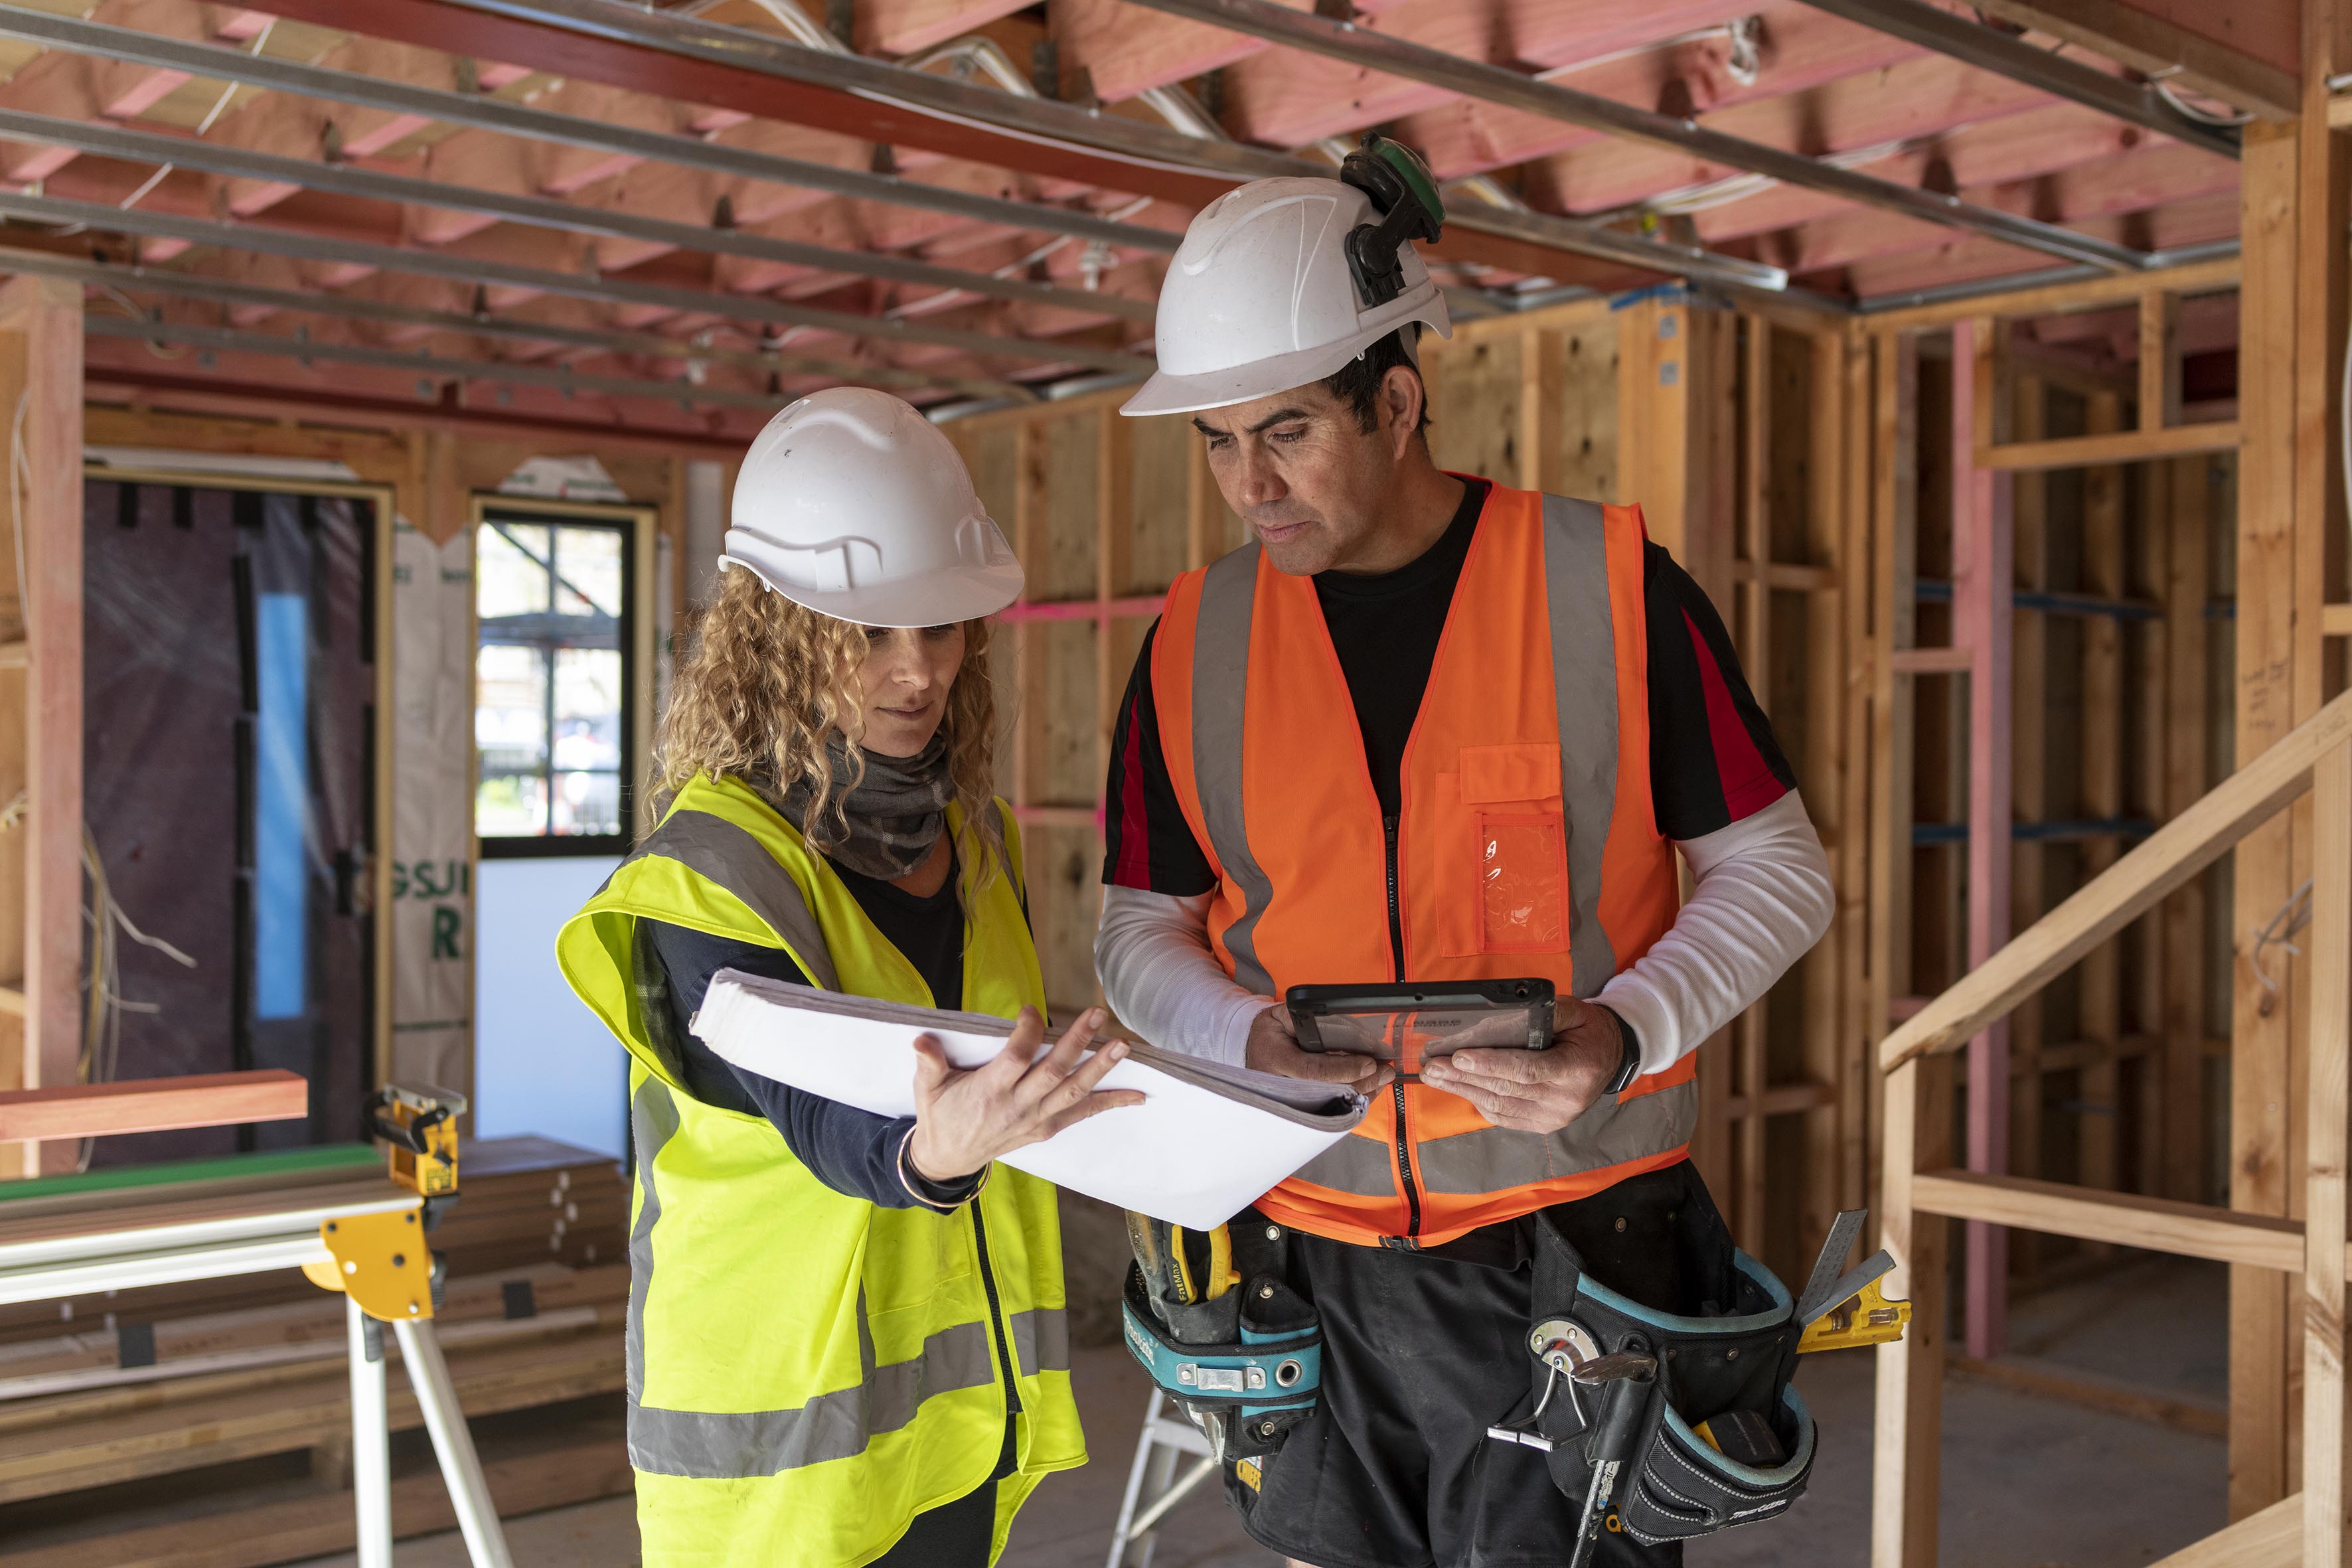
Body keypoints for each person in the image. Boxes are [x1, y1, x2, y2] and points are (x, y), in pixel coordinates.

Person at [1096, 145, 1837, 1567]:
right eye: (1213, 441)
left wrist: (1621, 1032)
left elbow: (1777, 869)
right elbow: (1138, 927)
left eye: (1286, 431)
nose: (1246, 483)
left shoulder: (1605, 588)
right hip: (1302, 1263)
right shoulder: (1193, 639)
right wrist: (1242, 1032)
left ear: (1395, 398)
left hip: (1573, 1257)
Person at [557, 388, 1140, 1568]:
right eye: (870, 634)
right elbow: (818, 1113)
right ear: (779, 633)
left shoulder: (981, 843)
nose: (918, 670)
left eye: (941, 624)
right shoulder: (708, 875)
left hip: (952, 1433)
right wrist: (934, 1153)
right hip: (777, 1453)